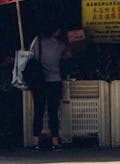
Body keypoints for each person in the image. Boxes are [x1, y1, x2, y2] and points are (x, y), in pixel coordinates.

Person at [31, 22, 71, 151]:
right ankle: (55, 141)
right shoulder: (60, 44)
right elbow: (68, 55)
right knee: (53, 112)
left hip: (39, 82)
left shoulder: (37, 41)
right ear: (56, 31)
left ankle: (35, 142)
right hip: (54, 81)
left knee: (38, 111)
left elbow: (30, 54)